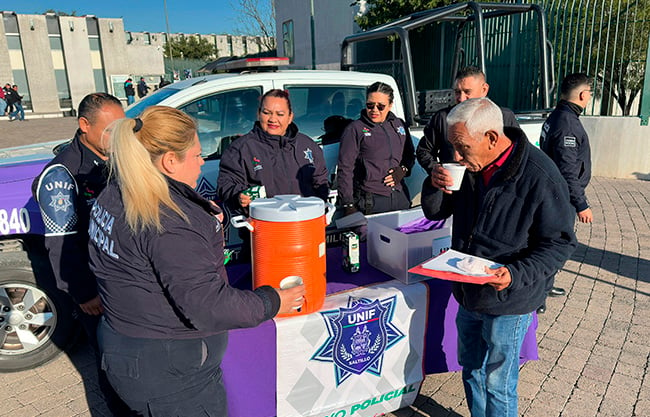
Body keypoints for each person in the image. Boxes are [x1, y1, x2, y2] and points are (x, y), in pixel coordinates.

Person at [88, 106, 304, 415]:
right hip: (171, 375)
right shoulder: (169, 220)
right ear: (170, 161)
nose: (202, 163)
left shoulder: (116, 193)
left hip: (126, 346)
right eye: (197, 155)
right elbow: (208, 305)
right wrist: (272, 301)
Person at [421, 97, 576, 417]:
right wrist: (434, 183)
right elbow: (435, 212)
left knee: (498, 382)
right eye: (453, 149)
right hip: (468, 291)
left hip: (509, 298)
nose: (457, 156)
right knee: (472, 371)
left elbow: (560, 243)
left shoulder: (539, 175)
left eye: (462, 147)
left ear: (491, 137)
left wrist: (515, 274)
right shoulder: (467, 165)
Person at [31, 92, 130, 416]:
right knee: (109, 364)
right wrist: (83, 293)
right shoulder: (63, 175)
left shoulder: (112, 158)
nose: (118, 136)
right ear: (84, 125)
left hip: (122, 279)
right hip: (95, 289)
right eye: (110, 129)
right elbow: (61, 244)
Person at [217, 88, 330, 215]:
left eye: (280, 114)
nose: (273, 119)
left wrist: (320, 209)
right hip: (264, 226)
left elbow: (320, 182)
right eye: (267, 113)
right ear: (258, 113)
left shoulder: (307, 145)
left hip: (303, 226)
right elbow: (226, 185)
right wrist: (238, 195)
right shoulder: (240, 148)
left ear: (290, 117)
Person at [537, 73, 594, 312]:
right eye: (590, 93)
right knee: (552, 245)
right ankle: (537, 296)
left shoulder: (560, 116)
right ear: (583, 95)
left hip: (557, 194)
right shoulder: (567, 123)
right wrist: (581, 203)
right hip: (559, 196)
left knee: (552, 243)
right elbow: (567, 169)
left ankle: (546, 285)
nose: (590, 97)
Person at [417, 66, 519, 174]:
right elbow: (424, 151)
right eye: (457, 92)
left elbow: (516, 153)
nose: (461, 98)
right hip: (455, 186)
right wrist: (436, 170)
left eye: (467, 92)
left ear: (484, 89)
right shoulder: (443, 118)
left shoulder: (504, 117)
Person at [337, 81, 415, 215]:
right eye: (370, 105)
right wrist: (348, 204)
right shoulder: (355, 129)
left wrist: (403, 170)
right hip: (371, 199)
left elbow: (409, 155)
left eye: (381, 106)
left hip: (399, 195)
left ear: (390, 105)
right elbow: (345, 168)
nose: (374, 110)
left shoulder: (399, 125)